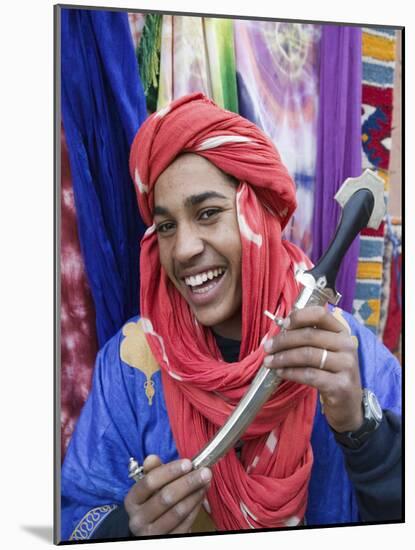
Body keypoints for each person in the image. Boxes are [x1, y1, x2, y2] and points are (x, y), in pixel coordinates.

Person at [60, 93, 401, 541]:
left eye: (208, 213)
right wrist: (127, 527)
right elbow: (73, 512)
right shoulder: (130, 364)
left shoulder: (345, 355)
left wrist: (361, 427)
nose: (183, 249)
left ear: (258, 215)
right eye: (166, 226)